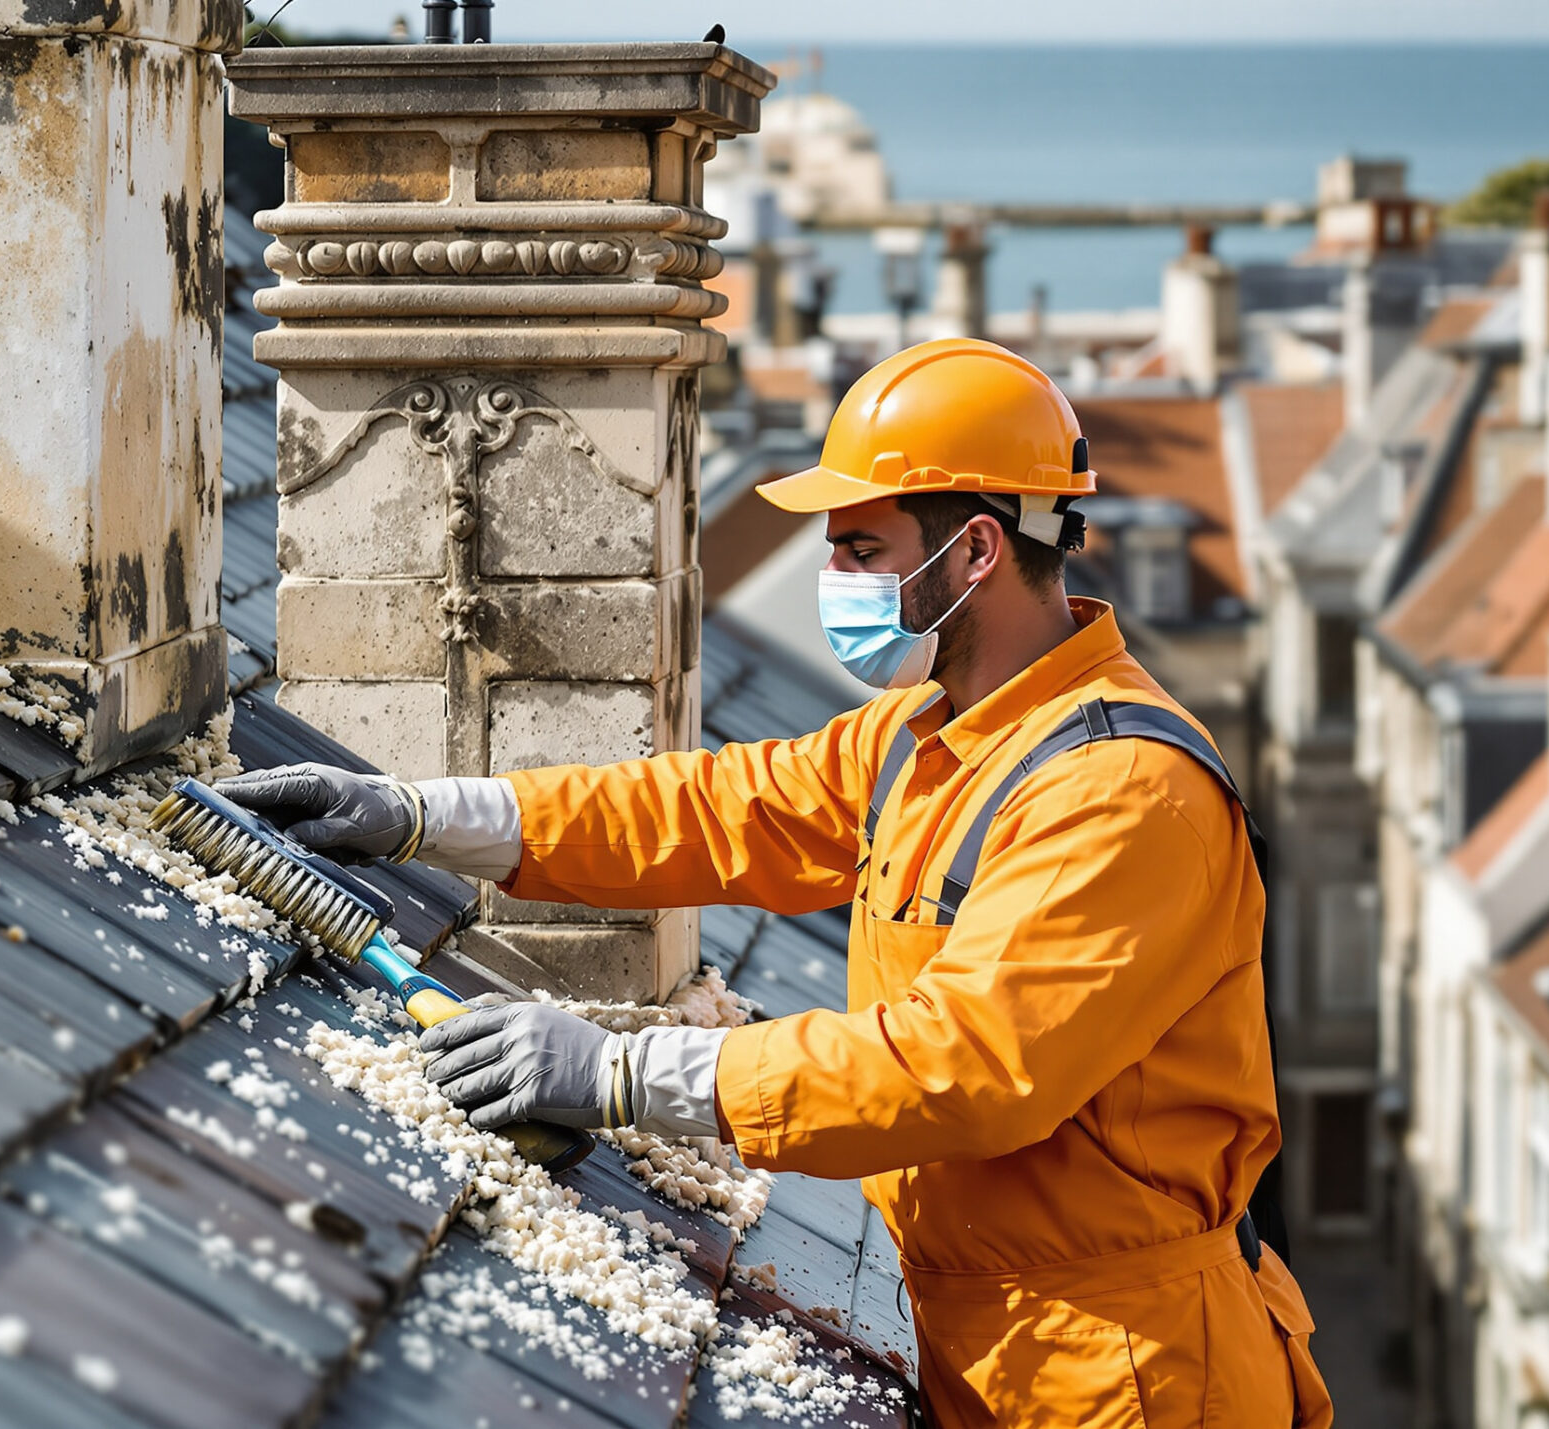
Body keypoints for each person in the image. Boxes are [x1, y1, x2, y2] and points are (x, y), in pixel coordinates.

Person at [219, 338, 1332, 1426]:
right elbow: (710, 806)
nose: (833, 578)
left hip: (1126, 1374)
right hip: (1004, 1332)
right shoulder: (933, 733)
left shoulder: (1122, 791)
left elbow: (966, 1066)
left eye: (859, 547)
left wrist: (617, 1073)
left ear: (978, 551)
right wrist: (427, 815)